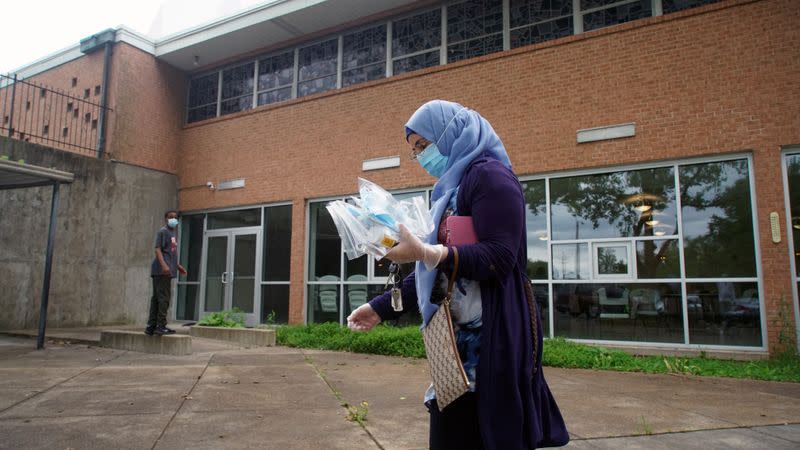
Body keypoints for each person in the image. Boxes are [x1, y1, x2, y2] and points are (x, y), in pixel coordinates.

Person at [347, 100, 569, 449]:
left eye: (424, 145)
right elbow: (437, 270)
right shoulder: (449, 189)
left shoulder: (490, 176)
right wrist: (380, 308)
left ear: (449, 133)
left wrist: (426, 251)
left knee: (483, 434)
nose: (421, 156)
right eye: (415, 150)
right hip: (455, 346)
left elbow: (500, 257)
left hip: (490, 343)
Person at [145, 210, 186, 336]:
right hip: (162, 271)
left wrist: (177, 266)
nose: (173, 219)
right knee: (164, 298)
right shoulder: (163, 231)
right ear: (166, 219)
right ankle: (160, 326)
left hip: (167, 269)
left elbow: (170, 253)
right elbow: (158, 250)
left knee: (157, 298)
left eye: (175, 217)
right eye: (170, 217)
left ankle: (151, 326)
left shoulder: (172, 233)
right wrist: (164, 266)